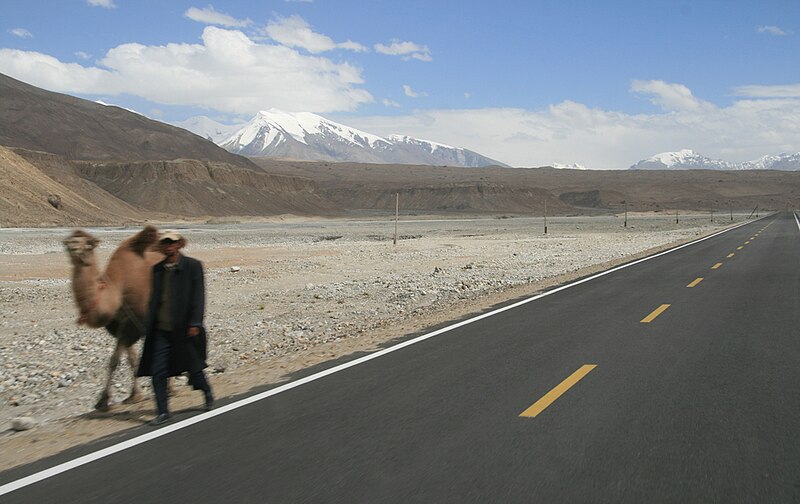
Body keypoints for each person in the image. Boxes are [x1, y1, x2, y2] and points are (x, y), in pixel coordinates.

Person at [137, 229, 213, 425]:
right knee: (157, 370)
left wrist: (195, 322)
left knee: (194, 368)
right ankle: (163, 411)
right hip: (161, 330)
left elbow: (198, 297)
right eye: (165, 242)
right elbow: (154, 299)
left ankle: (206, 392)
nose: (169, 245)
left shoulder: (193, 266)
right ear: (161, 246)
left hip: (185, 328)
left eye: (172, 242)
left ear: (179, 244)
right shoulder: (157, 270)